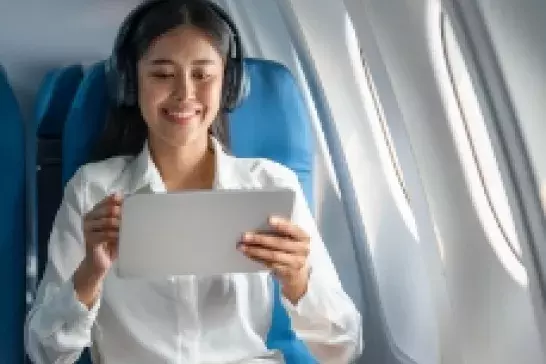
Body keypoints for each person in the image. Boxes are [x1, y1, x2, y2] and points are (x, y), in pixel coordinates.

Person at [24, 0, 363, 363]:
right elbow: (45, 353)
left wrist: (299, 281)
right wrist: (90, 274)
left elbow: (343, 347)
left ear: (228, 85)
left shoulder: (270, 184)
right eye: (162, 74)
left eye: (202, 74)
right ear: (130, 82)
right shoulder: (93, 190)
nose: (185, 93)